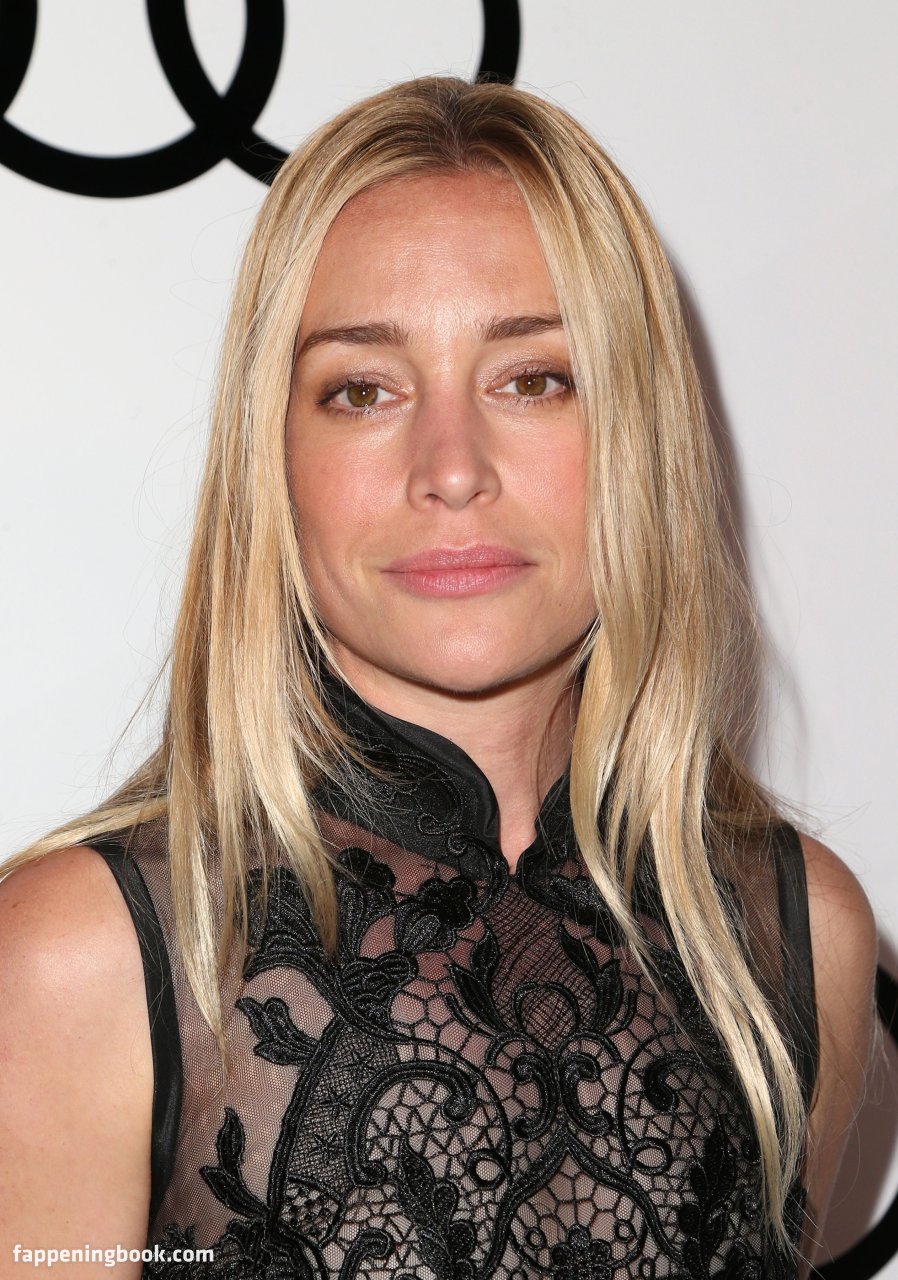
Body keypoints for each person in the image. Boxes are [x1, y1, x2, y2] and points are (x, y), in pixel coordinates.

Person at [0, 74, 878, 1280]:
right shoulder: (81, 955)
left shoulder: (793, 932)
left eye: (534, 378)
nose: (451, 467)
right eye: (363, 390)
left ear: (639, 432)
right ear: (275, 459)